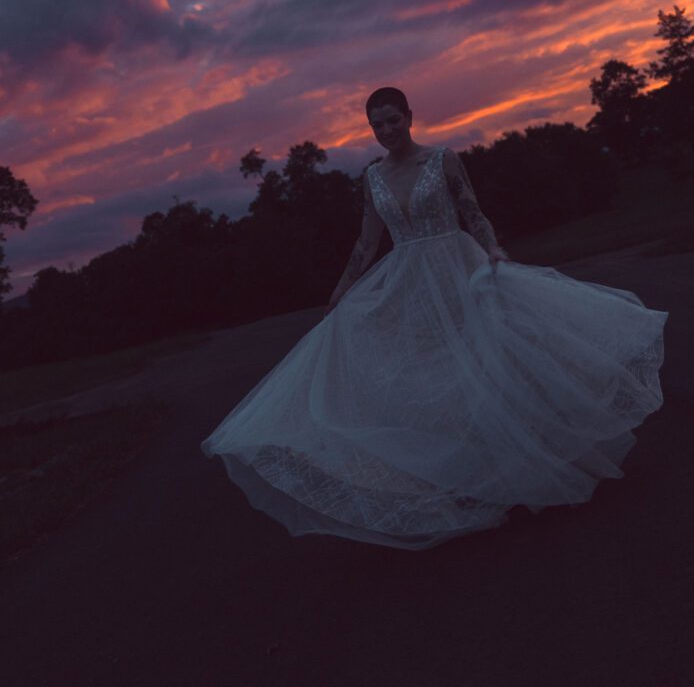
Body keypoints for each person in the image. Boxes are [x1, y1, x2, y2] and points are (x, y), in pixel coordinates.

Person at [201, 86, 666, 550]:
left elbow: (472, 213)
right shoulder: (373, 177)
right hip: (408, 281)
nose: (385, 131)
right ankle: (466, 480)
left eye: (392, 120)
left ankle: (522, 471)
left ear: (409, 116)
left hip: (456, 269)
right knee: (430, 375)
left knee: (483, 367)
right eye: (376, 124)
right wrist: (342, 289)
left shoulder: (441, 161)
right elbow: (367, 242)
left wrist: (493, 250)